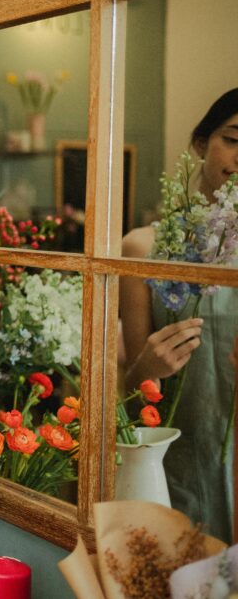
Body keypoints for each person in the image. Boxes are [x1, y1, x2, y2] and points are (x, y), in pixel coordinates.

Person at [121, 87, 238, 543]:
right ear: (199, 144)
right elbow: (131, 394)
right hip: (172, 473)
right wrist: (147, 368)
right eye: (233, 138)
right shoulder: (143, 249)